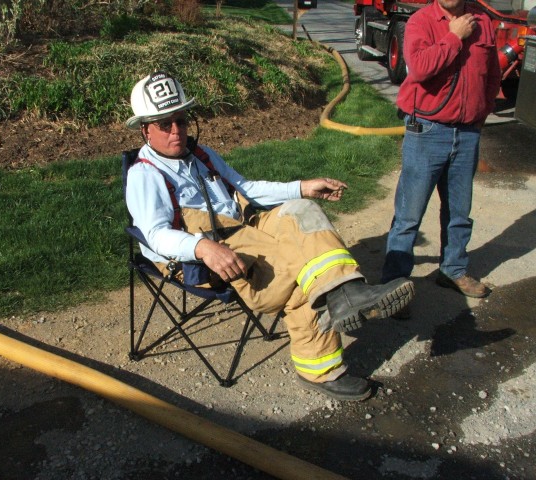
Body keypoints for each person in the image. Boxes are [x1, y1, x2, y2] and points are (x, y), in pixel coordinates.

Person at [125, 71, 415, 401]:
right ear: (146, 129)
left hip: (243, 225)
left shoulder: (201, 154)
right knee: (303, 273)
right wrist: (203, 247)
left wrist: (302, 187)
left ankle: (346, 294)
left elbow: (244, 188)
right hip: (204, 254)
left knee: (301, 212)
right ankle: (320, 369)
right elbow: (155, 235)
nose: (176, 131)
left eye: (181, 120)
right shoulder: (144, 175)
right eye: (165, 124)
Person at [381, 0, 501, 302]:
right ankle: (395, 285)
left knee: (459, 212)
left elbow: (493, 74)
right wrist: (454, 36)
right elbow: (419, 69)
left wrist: (481, 113)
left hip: (468, 132)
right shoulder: (421, 21)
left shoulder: (483, 21)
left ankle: (453, 269)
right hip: (427, 131)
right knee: (409, 215)